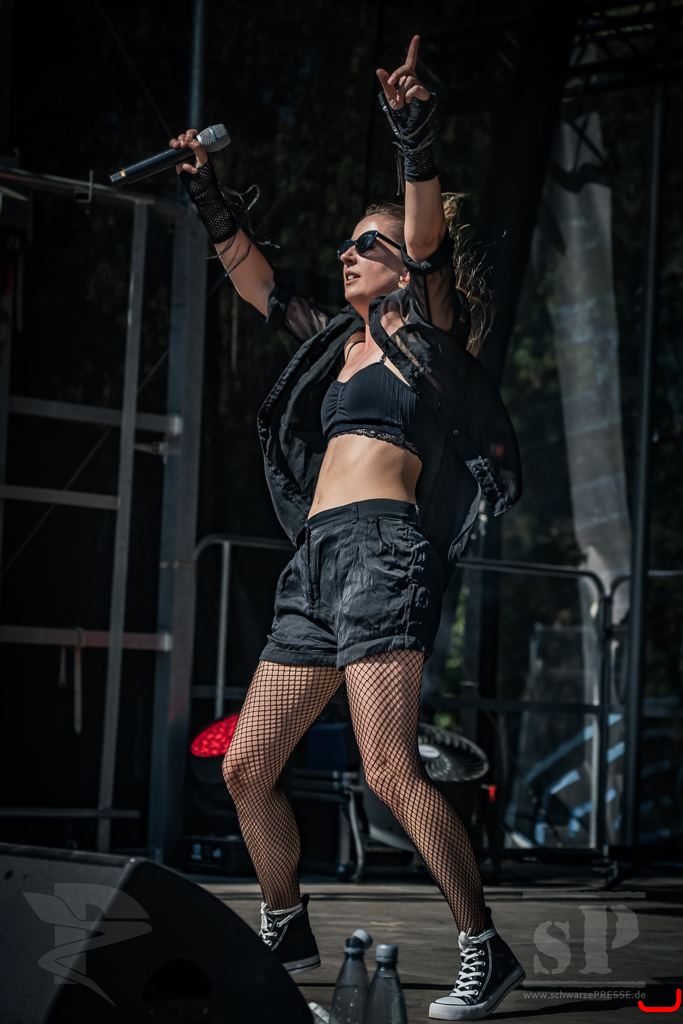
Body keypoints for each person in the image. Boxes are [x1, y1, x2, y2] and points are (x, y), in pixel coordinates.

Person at [171, 34, 524, 1023]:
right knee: (246, 765)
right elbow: (264, 287)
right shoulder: (337, 344)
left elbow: (429, 245)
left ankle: (482, 947)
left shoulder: (428, 337)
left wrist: (413, 135)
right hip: (316, 564)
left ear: (401, 270)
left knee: (386, 771)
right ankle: (285, 926)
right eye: (349, 243)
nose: (348, 253)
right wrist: (211, 200)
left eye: (366, 244)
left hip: (380, 554)